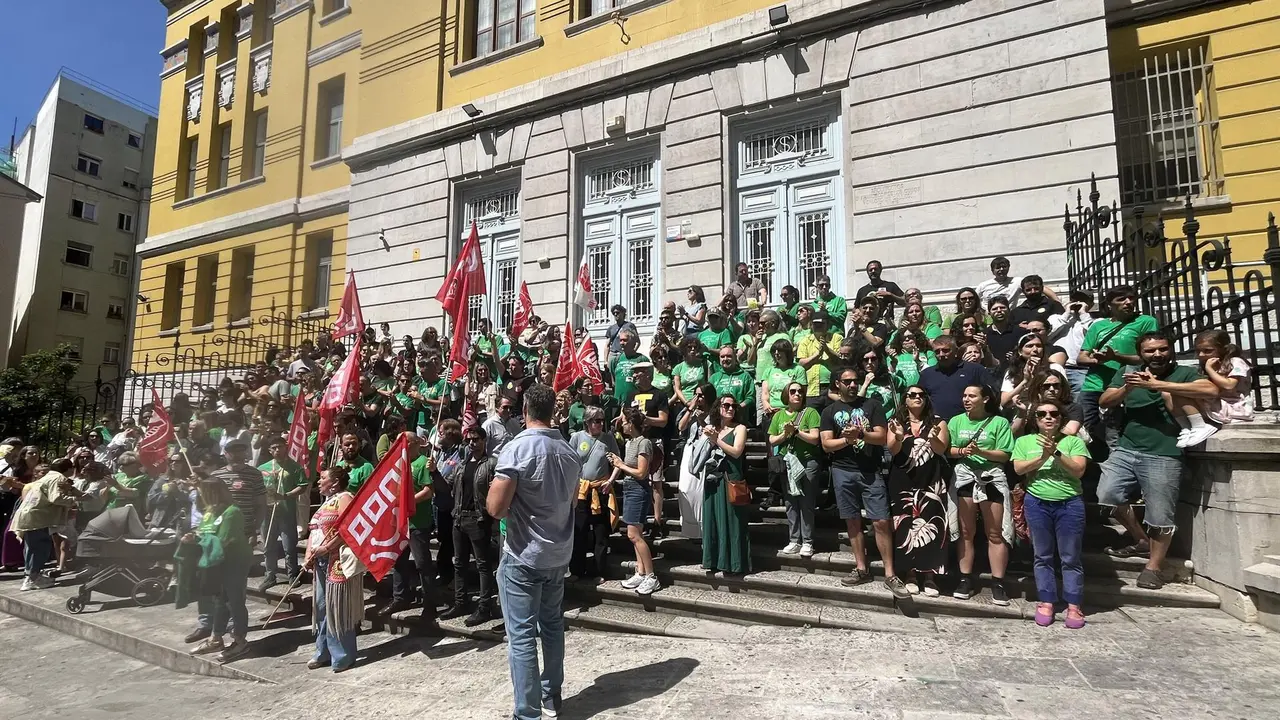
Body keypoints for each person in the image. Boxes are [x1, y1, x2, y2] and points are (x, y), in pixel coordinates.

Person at [488, 384, 581, 720]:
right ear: (552, 410)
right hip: (558, 553)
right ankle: (550, 695)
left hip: (524, 554)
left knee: (523, 636)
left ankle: (527, 713)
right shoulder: (570, 452)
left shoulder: (516, 450)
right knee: (553, 626)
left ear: (525, 408)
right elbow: (572, 503)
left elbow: (496, 508)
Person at [1098, 333, 1218, 589]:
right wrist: (1128, 388)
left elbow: (1210, 389)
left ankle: (1153, 567)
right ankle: (1140, 539)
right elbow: (1104, 401)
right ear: (1140, 354)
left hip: (1165, 452)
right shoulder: (1128, 373)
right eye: (1150, 351)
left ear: (1170, 350)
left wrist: (1159, 386)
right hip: (1127, 449)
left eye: (1162, 349)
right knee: (1107, 495)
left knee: (1160, 514)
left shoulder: (1183, 373)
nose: (1157, 355)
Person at [820, 366, 904, 596]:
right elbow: (826, 444)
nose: (853, 385)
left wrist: (860, 435)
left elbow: (881, 437)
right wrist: (847, 441)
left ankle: (890, 573)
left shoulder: (872, 405)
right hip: (842, 470)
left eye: (856, 381)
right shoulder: (829, 411)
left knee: (881, 521)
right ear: (838, 384)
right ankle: (860, 568)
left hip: (870, 470)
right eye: (847, 381)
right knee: (852, 521)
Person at [1013, 400, 1091, 629]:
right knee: (1042, 555)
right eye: (1042, 414)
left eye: (1053, 413)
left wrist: (1055, 452)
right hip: (1037, 503)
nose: (1048, 417)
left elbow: (1078, 470)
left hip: (1069, 504)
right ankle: (1046, 600)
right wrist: (1043, 456)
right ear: (1035, 419)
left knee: (1070, 556)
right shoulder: (1025, 441)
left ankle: (1074, 604)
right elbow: (1019, 469)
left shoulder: (1073, 442)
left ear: (1060, 418)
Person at [947, 384, 1015, 604]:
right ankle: (965, 579)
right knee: (966, 531)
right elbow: (948, 449)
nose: (966, 399)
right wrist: (962, 451)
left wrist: (980, 452)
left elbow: (1004, 455)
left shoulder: (999, 422)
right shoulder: (956, 421)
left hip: (992, 477)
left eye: (972, 396)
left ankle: (998, 583)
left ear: (985, 399)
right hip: (965, 476)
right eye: (964, 395)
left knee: (995, 533)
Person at [885, 385, 950, 597]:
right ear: (905, 400)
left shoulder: (938, 422)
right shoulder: (896, 422)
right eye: (912, 395)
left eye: (921, 395)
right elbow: (893, 451)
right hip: (902, 481)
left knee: (933, 524)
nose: (917, 398)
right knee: (905, 527)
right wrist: (898, 436)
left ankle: (930, 577)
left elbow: (941, 450)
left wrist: (932, 438)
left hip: (931, 481)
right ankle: (910, 575)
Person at [1076, 286, 1159, 451]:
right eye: (1121, 299)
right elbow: (1081, 357)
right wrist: (1097, 360)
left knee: (1116, 432)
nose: (1128, 302)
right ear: (1109, 304)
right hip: (1093, 385)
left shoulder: (1146, 322)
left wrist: (1116, 357)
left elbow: (1148, 357)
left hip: (1124, 386)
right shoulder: (1098, 326)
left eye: (1131, 298)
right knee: (1084, 430)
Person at [185, 478, 254, 663]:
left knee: (235, 601)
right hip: (216, 562)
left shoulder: (232, 512)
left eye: (204, 492)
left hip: (234, 561)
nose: (201, 496)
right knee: (219, 600)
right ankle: (216, 638)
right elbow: (204, 532)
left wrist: (199, 541)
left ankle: (240, 640)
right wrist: (194, 537)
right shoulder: (210, 511)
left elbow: (222, 541)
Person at [302, 467, 362, 672]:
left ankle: (342, 655)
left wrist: (327, 548)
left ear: (335, 482)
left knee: (337, 608)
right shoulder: (325, 503)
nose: (319, 482)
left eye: (323, 478)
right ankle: (323, 650)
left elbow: (348, 527)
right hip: (320, 560)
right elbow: (314, 530)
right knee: (320, 607)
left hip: (336, 560)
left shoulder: (345, 498)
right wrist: (309, 554)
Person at [441, 424, 500, 626]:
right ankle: (461, 602)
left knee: (483, 565)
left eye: (476, 440)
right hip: (459, 518)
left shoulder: (491, 464)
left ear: (484, 441)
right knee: (459, 563)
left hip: (479, 519)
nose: (472, 443)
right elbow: (444, 487)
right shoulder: (461, 465)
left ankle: (485, 606)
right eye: (469, 440)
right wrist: (433, 472)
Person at [384, 433, 438, 622]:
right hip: (400, 522)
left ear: (415, 444)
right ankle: (400, 597)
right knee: (399, 561)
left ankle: (430, 604)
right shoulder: (398, 463)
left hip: (418, 522)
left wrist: (407, 503)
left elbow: (428, 491)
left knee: (422, 564)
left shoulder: (423, 462)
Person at [608, 408, 662, 595]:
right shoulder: (630, 442)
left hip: (639, 490)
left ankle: (651, 576)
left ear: (632, 423)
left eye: (624, 420)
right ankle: (641, 571)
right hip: (630, 488)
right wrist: (618, 464)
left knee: (634, 535)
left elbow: (641, 472)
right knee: (634, 534)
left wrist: (620, 465)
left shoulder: (644, 443)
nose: (622, 424)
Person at [768, 381, 821, 557]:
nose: (797, 394)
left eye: (800, 391)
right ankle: (793, 540)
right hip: (788, 463)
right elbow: (772, 440)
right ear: (786, 395)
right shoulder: (778, 416)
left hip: (807, 463)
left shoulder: (811, 413)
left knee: (806, 502)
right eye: (793, 391)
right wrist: (786, 434)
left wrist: (797, 431)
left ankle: (807, 541)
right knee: (791, 503)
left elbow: (814, 438)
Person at [12, 460, 82, 591]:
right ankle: (33, 578)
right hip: (38, 518)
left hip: (31, 516)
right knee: (39, 548)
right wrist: (76, 500)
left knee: (32, 548)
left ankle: (30, 576)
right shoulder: (58, 477)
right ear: (69, 469)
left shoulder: (47, 477)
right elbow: (56, 498)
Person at [700, 394, 750, 575]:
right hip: (712, 479)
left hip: (731, 478)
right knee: (713, 518)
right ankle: (713, 560)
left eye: (733, 406)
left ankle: (734, 562)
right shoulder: (712, 428)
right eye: (726, 405)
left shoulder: (740, 428)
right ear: (718, 408)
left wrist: (716, 440)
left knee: (732, 520)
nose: (730, 408)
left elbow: (736, 452)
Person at [569, 407, 618, 584]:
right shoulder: (576, 438)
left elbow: (617, 463)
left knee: (600, 532)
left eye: (602, 420)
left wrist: (611, 481)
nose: (600, 424)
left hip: (600, 489)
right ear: (587, 422)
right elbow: (570, 462)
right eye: (596, 420)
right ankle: (576, 569)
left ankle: (599, 570)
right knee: (579, 530)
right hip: (581, 490)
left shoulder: (608, 439)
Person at [257, 436, 305, 591]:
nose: (277, 450)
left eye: (280, 447)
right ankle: (270, 575)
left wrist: (286, 495)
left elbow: (302, 486)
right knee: (268, 545)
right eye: (274, 448)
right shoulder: (262, 468)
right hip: (268, 512)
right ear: (270, 451)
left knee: (288, 545)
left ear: (286, 447)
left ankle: (292, 574)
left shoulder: (294, 467)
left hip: (286, 510)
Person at [918, 335, 998, 421]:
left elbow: (993, 394)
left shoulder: (975, 370)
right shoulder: (927, 374)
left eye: (946, 350)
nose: (941, 354)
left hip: (968, 424)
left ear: (956, 351)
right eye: (937, 351)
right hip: (937, 424)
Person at [1048, 291, 1096, 396]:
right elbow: (1047, 333)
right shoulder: (1056, 318)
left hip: (1081, 370)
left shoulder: (1095, 321)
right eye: (1075, 300)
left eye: (1082, 300)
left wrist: (1083, 314)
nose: (1078, 303)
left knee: (1078, 402)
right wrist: (1066, 314)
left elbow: (1095, 334)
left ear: (1090, 304)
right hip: (1058, 367)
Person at [797, 312, 844, 413]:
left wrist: (827, 350)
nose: (818, 326)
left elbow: (840, 361)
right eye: (815, 324)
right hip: (812, 390)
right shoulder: (805, 341)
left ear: (828, 324)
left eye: (821, 324)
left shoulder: (837, 338)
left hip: (833, 389)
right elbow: (801, 364)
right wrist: (817, 355)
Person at [709, 346, 755, 424]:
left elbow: (751, 397)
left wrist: (737, 407)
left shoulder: (745, 376)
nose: (725, 359)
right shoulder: (714, 377)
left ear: (735, 358)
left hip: (739, 421)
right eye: (722, 356)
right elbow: (708, 399)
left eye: (729, 356)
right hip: (718, 422)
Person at [983, 295, 1022, 377]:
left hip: (1015, 373)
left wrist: (1016, 357)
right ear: (989, 313)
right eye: (994, 309)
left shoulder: (1020, 331)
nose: (999, 311)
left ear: (1009, 310)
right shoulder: (984, 334)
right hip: (991, 375)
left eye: (1002, 308)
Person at [608, 330, 649, 406]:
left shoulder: (642, 359)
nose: (622, 343)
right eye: (620, 340)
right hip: (618, 403)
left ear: (633, 342)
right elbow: (613, 382)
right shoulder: (616, 360)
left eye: (625, 340)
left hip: (635, 402)